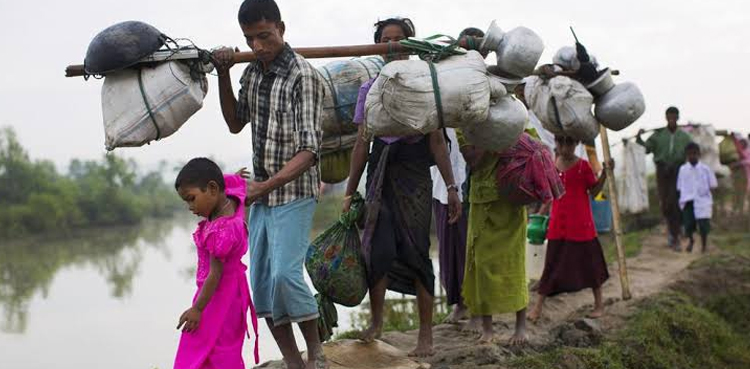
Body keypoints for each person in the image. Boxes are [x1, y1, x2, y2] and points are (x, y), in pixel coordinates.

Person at [212, 1, 327, 368]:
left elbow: (309, 150)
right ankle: (293, 360)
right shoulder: (253, 73)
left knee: (284, 277)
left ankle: (317, 352)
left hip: (293, 191)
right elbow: (234, 122)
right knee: (261, 284)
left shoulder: (302, 76)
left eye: (265, 36)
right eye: (250, 39)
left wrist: (264, 187)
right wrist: (224, 73)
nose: (259, 46)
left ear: (281, 28)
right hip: (261, 197)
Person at [342, 17, 461, 357]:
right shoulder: (371, 88)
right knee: (377, 249)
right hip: (380, 172)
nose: (393, 47)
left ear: (410, 47)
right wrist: (350, 191)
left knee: (418, 251)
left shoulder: (425, 86)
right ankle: (377, 323)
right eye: (386, 40)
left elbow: (437, 143)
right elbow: (362, 145)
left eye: (399, 40)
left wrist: (452, 187)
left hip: (415, 176)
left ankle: (426, 334)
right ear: (378, 47)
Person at [173, 158, 258, 369]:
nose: (190, 207)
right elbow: (229, 183)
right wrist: (236, 177)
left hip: (218, 296)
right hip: (234, 292)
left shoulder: (220, 230)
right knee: (224, 343)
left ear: (212, 189)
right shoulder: (232, 198)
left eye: (192, 199)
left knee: (205, 343)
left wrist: (197, 309)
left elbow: (214, 274)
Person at [430, 26, 485, 325]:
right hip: (446, 177)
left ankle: (480, 302)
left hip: (479, 174)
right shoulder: (445, 80)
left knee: (478, 241)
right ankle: (460, 303)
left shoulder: (483, 84)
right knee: (452, 243)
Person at [456, 129, 528, 345]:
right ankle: (488, 329)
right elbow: (474, 162)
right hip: (482, 202)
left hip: (512, 197)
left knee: (515, 262)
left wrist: (511, 135)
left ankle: (521, 327)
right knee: (483, 265)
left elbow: (531, 142)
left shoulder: (513, 114)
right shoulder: (465, 126)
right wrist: (494, 137)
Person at [527, 136, 611, 322]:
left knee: (592, 267)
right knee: (550, 266)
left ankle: (599, 305)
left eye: (570, 143)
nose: (565, 147)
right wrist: (541, 214)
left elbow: (595, 192)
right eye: (561, 143)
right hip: (558, 226)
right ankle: (537, 308)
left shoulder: (583, 167)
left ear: (576, 144)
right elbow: (550, 195)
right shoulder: (553, 165)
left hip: (582, 225)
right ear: (556, 143)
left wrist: (604, 173)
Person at [636, 106, 693, 251]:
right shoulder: (658, 135)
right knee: (666, 203)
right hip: (662, 172)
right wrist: (638, 137)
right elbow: (646, 148)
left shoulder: (684, 136)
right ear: (666, 118)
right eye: (669, 117)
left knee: (675, 202)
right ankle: (673, 230)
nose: (672, 119)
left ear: (678, 118)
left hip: (678, 172)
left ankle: (675, 237)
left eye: (674, 117)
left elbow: (692, 152)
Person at [677, 143, 718, 253]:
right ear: (686, 155)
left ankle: (704, 246)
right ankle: (691, 240)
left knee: (704, 225)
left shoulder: (706, 169)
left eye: (694, 154)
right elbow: (679, 187)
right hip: (688, 201)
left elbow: (713, 185)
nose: (692, 156)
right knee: (689, 225)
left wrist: (707, 197)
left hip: (703, 201)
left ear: (699, 154)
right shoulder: (683, 169)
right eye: (689, 154)